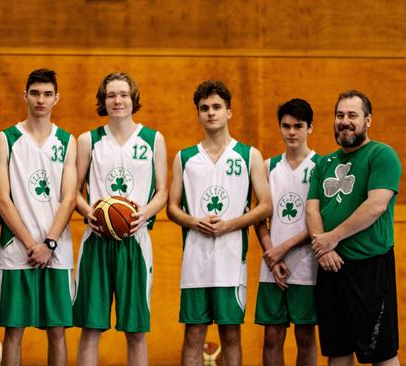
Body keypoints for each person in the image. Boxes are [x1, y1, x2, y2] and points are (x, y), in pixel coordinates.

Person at [167, 80, 272, 366]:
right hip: (195, 260)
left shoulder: (249, 155)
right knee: (193, 333)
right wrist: (193, 220)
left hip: (230, 261)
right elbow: (171, 208)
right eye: (204, 108)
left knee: (230, 334)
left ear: (229, 112)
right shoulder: (184, 158)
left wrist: (230, 224)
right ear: (198, 114)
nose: (210, 113)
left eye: (216, 107)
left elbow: (265, 206)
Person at [74, 72, 168, 366]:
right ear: (103, 101)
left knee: (136, 330)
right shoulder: (89, 140)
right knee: (90, 328)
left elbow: (163, 191)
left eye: (124, 94)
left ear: (133, 98)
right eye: (111, 95)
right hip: (96, 242)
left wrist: (144, 214)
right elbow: (74, 192)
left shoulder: (153, 139)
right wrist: (89, 212)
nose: (118, 100)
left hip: (135, 243)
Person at [306, 90, 401, 366]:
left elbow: (376, 205)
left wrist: (330, 239)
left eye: (352, 115)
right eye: (339, 115)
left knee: (381, 353)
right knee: (337, 351)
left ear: (368, 120)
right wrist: (323, 251)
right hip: (330, 268)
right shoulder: (324, 163)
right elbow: (312, 209)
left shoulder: (382, 155)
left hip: (370, 268)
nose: (344, 121)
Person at [0, 68, 77, 366]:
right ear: (25, 95)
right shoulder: (6, 138)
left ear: (57, 98)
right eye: (35, 93)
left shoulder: (67, 141)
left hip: (58, 251)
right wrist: (33, 244)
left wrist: (49, 243)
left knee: (57, 330)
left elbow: (69, 199)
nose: (41, 99)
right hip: (17, 250)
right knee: (14, 330)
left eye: (47, 94)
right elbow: (2, 199)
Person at [254, 98, 319, 366]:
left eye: (298, 126)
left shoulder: (321, 166)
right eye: (286, 126)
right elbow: (259, 218)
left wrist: (282, 250)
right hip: (273, 266)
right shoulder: (268, 167)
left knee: (305, 336)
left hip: (307, 265)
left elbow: (320, 222)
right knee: (272, 336)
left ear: (310, 128)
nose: (291, 132)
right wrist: (272, 254)